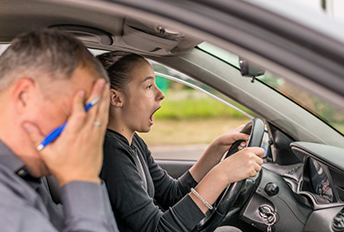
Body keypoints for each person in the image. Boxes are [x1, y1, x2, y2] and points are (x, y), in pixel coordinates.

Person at [0, 29, 118, 232]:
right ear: (24, 97)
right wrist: (81, 179)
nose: (86, 132)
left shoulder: (17, 174)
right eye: (78, 113)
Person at [97, 51, 265, 232]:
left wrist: (216, 149)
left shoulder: (132, 142)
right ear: (116, 98)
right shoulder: (110, 152)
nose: (160, 94)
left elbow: (172, 194)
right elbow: (159, 229)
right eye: (148, 86)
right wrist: (222, 175)